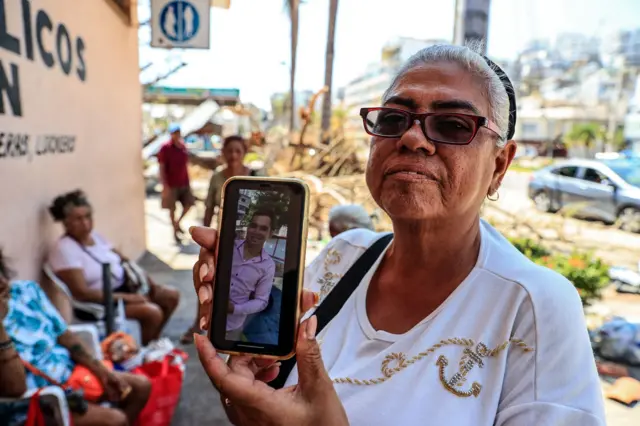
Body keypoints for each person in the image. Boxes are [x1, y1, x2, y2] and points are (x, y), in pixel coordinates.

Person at [189, 43, 605, 425]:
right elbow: (268, 407)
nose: (411, 138)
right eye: (393, 118)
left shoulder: (533, 306)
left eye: (453, 125)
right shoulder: (342, 258)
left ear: (499, 165)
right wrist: (244, 388)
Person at [0, 249, 150, 426]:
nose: (2, 282)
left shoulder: (26, 291)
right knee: (116, 420)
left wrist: (102, 371)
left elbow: (65, 335)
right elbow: (16, 390)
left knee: (141, 386)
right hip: (38, 401)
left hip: (70, 376)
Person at [48, 190, 180, 345]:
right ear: (65, 222)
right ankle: (143, 349)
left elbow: (124, 260)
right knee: (152, 313)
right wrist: (128, 298)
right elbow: (82, 293)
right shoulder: (65, 249)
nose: (85, 223)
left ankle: (153, 339)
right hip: (100, 304)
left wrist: (148, 282)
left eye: (88, 217)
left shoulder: (96, 237)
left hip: (124, 289)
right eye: (78, 219)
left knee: (170, 295)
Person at [180, 135, 262, 343]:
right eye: (229, 151)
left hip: (249, 241)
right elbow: (209, 208)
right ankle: (200, 323)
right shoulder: (217, 177)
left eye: (238, 151)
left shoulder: (255, 175)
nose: (233, 155)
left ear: (244, 153)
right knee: (207, 277)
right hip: (223, 239)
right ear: (223, 153)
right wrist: (204, 238)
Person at [225, 210, 276, 340]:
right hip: (209, 313)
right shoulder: (229, 247)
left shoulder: (268, 265)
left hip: (233, 325)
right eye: (253, 226)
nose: (256, 231)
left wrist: (235, 309)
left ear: (270, 234)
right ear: (248, 227)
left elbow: (262, 301)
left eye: (263, 229)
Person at [158, 123, 195, 243]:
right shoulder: (165, 148)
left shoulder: (183, 146)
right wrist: (164, 185)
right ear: (171, 134)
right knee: (172, 209)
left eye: (178, 132)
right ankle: (174, 231)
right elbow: (162, 167)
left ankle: (177, 224)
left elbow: (185, 165)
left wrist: (189, 182)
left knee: (188, 204)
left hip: (183, 182)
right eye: (174, 133)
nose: (176, 135)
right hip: (171, 184)